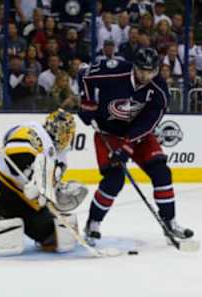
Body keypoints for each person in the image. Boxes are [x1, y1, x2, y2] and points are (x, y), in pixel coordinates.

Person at [78, 47, 194, 246]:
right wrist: (87, 103)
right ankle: (93, 223)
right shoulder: (115, 70)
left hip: (137, 136)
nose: (147, 76)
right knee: (114, 179)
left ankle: (170, 223)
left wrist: (128, 146)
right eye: (142, 71)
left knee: (161, 172)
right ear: (135, 67)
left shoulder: (160, 91)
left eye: (151, 72)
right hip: (108, 132)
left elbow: (147, 124)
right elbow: (84, 73)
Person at [0, 109, 87, 252]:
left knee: (56, 238)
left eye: (66, 132)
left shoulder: (60, 159)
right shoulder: (34, 131)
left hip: (27, 205)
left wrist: (58, 194)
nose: (62, 135)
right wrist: (35, 176)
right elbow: (14, 153)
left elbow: (45, 194)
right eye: (60, 130)